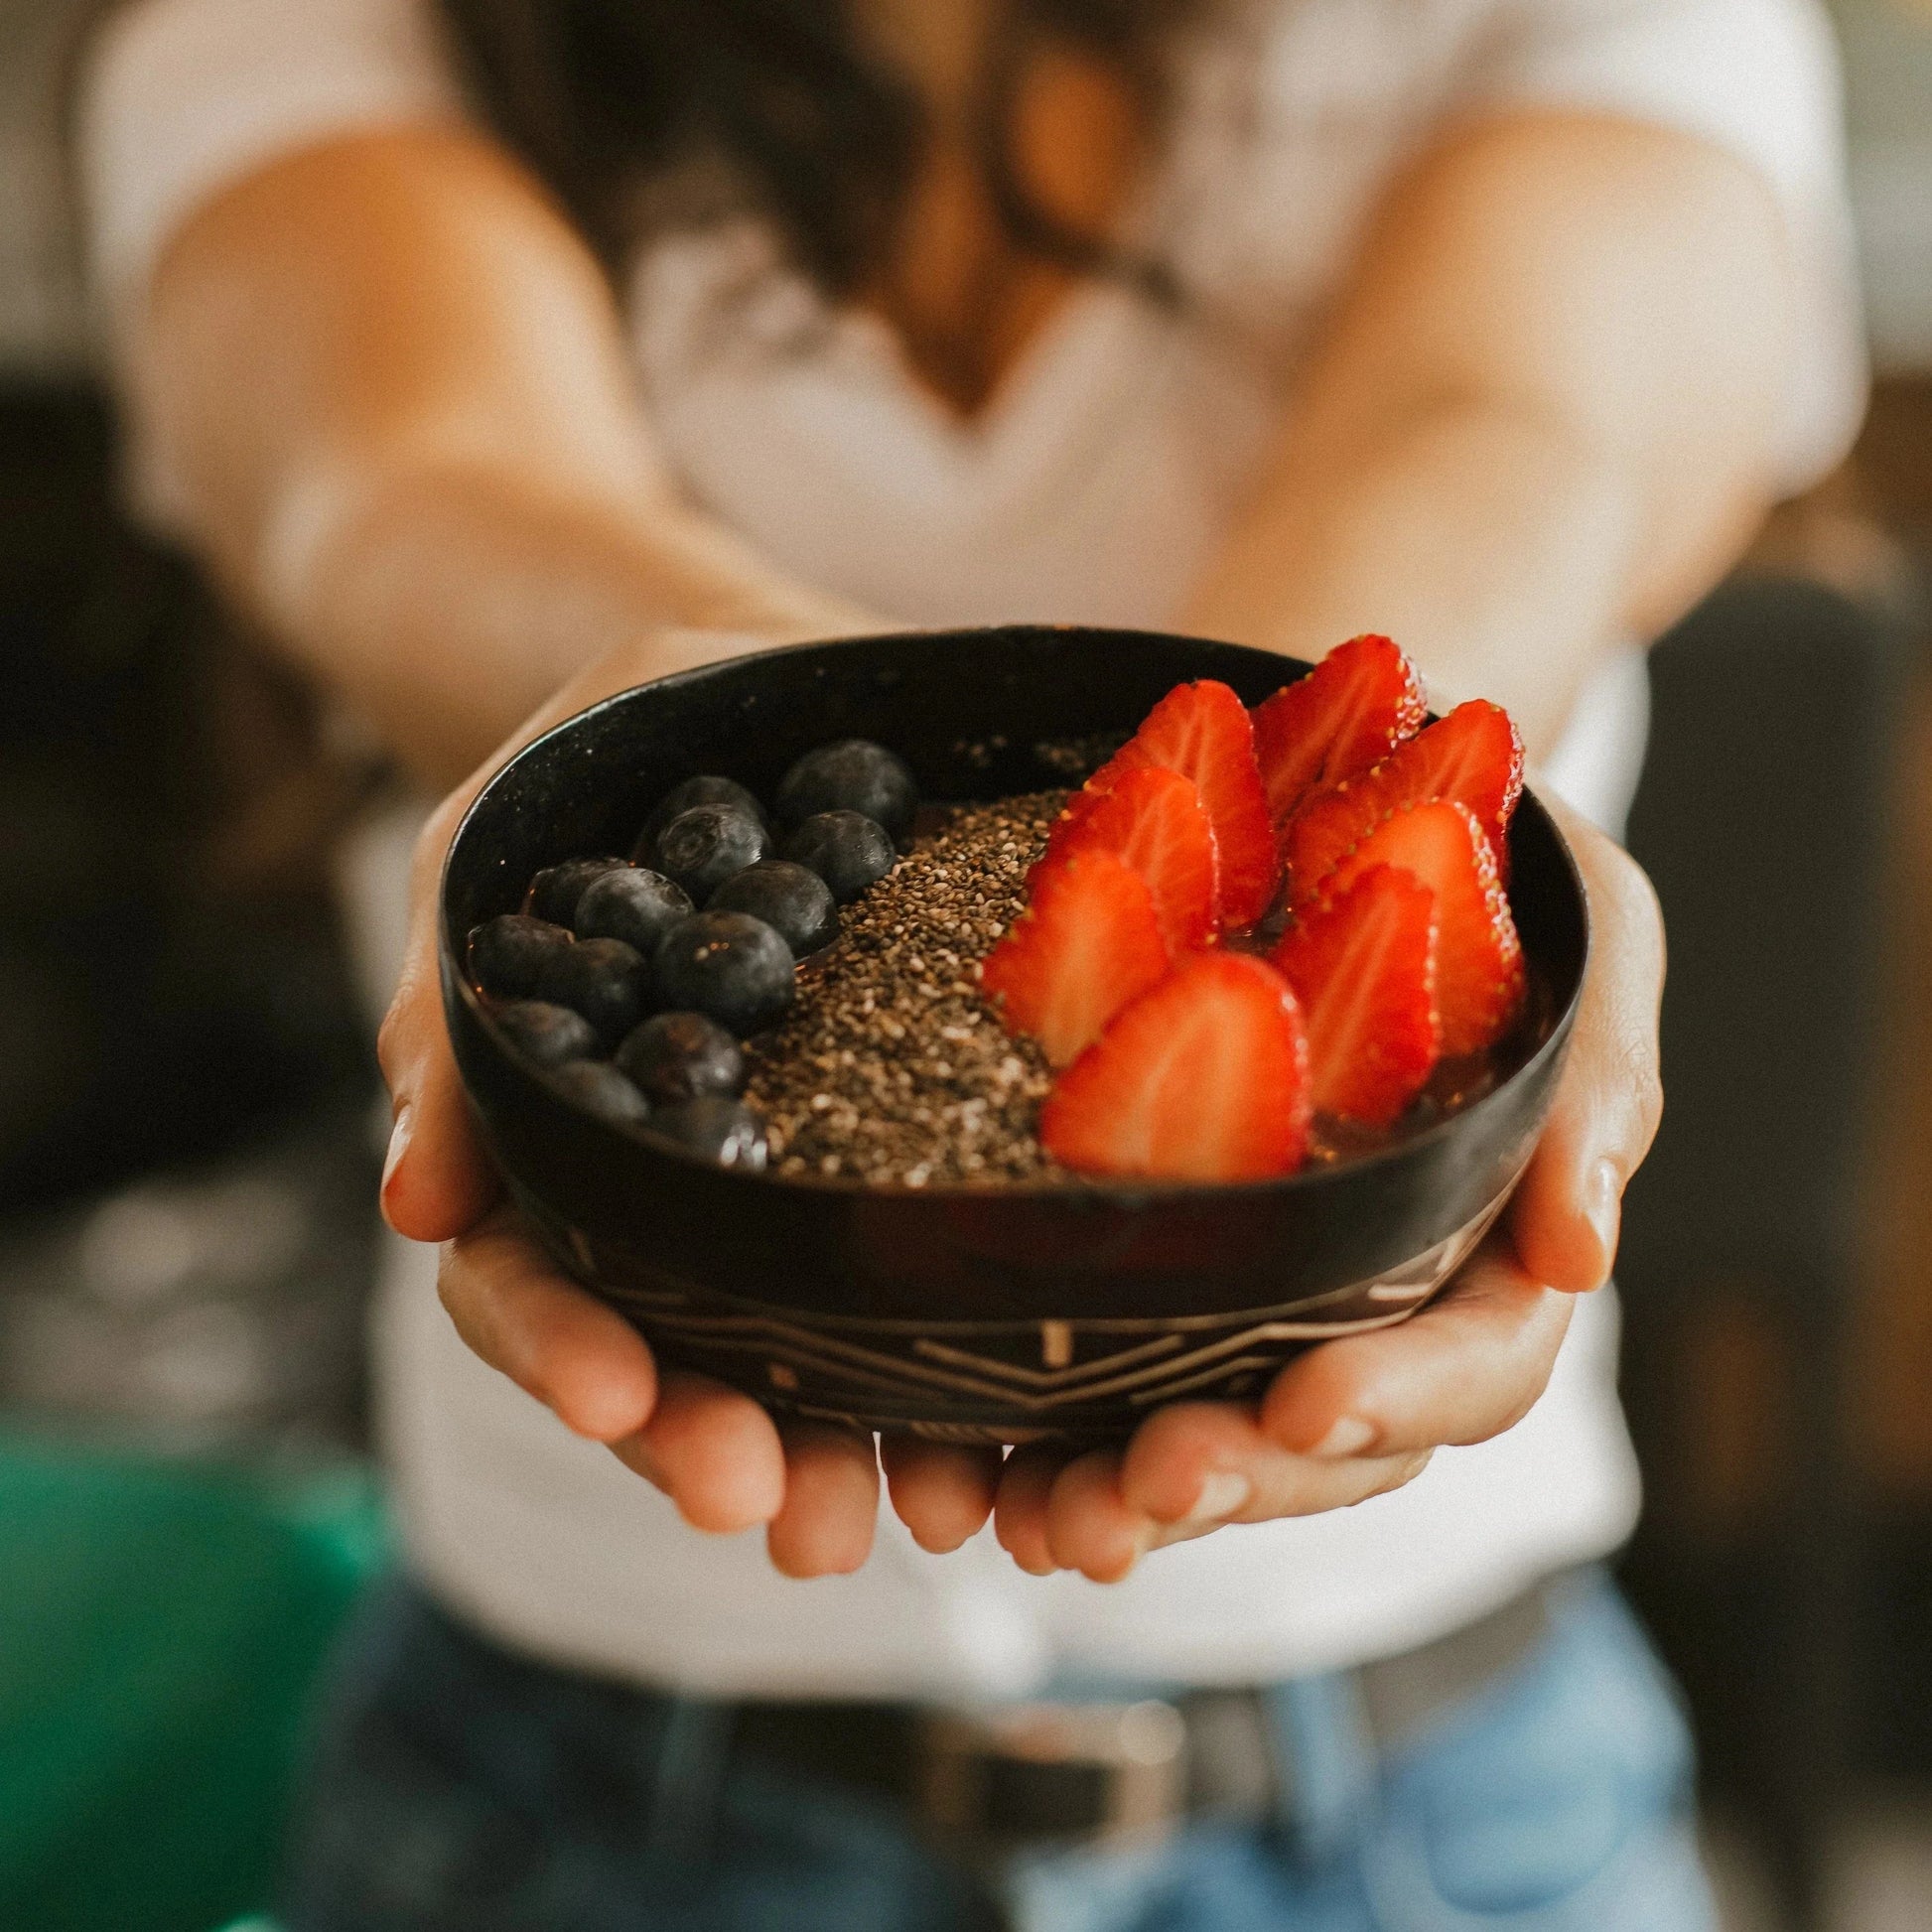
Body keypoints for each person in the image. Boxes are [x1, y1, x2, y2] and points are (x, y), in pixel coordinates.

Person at [76, 0, 1863, 1924]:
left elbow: (1518, 428)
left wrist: (1348, 818)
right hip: (574, 1809)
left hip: (1443, 1807)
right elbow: (403, 468)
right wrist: (691, 730)